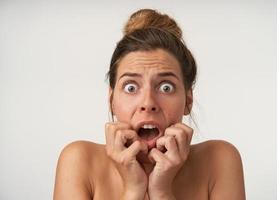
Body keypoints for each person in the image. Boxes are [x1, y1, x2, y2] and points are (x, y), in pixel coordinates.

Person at [53, 9, 246, 200]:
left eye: (166, 87)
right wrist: (133, 190)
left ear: (188, 100)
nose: (148, 103)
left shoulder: (219, 161)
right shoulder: (79, 161)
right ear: (111, 100)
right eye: (130, 87)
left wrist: (162, 192)